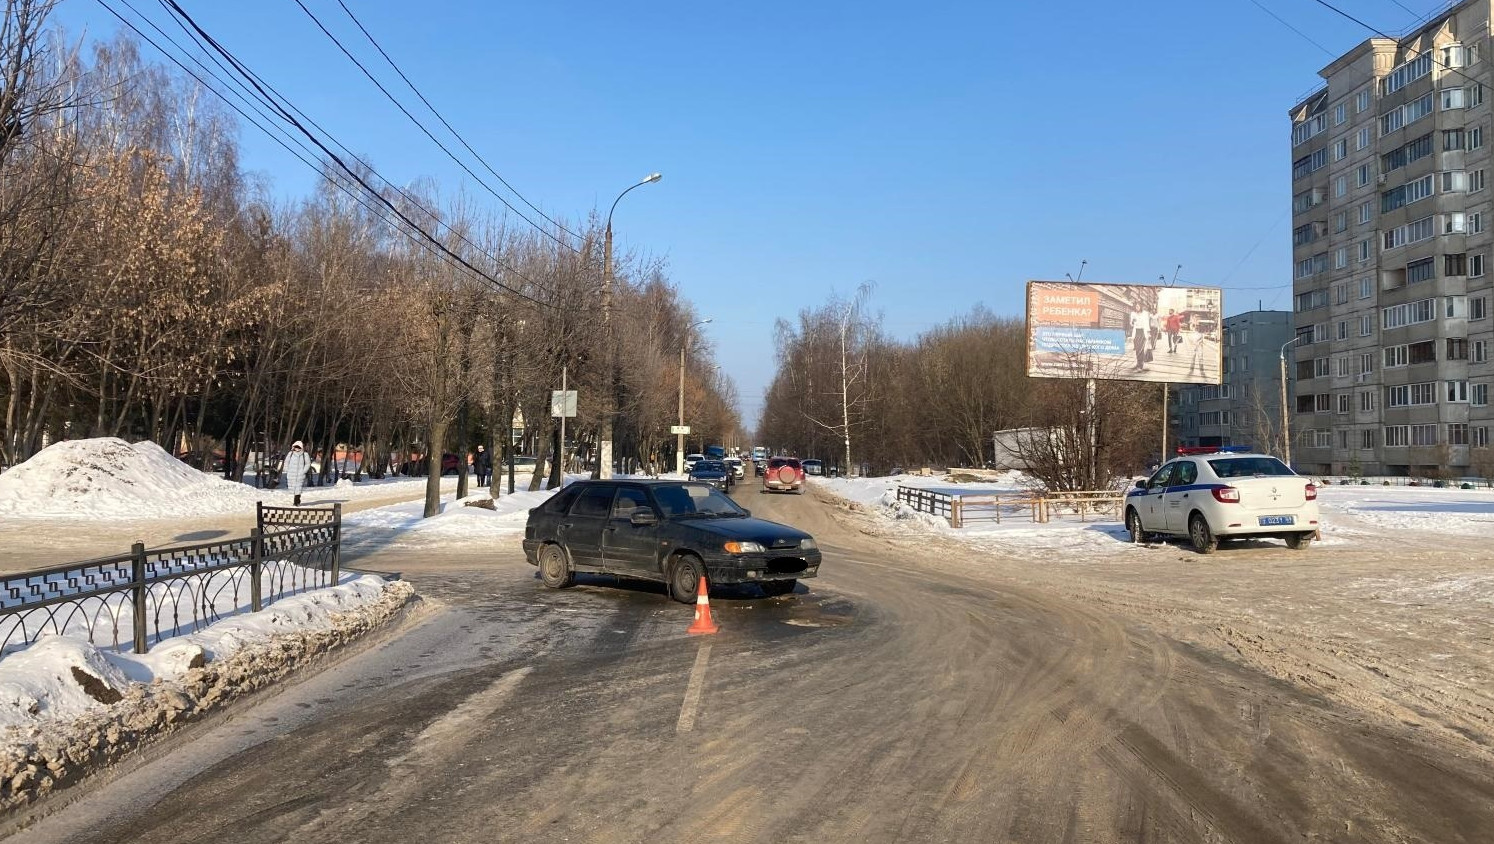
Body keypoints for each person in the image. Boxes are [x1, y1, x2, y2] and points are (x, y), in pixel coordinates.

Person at [284, 441, 311, 506]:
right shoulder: (290, 454)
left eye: (298, 447)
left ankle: (297, 501)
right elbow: (286, 462)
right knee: (293, 489)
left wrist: (303, 471)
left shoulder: (305, 454)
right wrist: (287, 470)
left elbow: (308, 463)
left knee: (298, 489)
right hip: (291, 474)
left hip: (300, 475)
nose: (297, 449)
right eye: (296, 447)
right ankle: (296, 500)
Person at [1128, 302, 1150, 371]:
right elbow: (1131, 324)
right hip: (1136, 332)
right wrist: (1132, 321)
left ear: (1141, 307)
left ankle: (1140, 366)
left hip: (1143, 332)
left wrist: (1148, 333)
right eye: (1136, 306)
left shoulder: (1145, 313)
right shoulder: (1133, 314)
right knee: (1137, 349)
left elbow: (1147, 324)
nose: (1137, 308)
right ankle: (1138, 363)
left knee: (1141, 349)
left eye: (1138, 306)